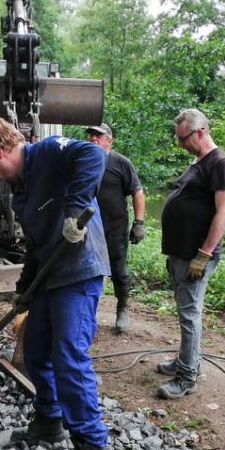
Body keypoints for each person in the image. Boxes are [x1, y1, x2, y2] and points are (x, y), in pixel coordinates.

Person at [0, 116, 112, 450]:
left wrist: (75, 209)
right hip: (49, 276)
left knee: (68, 355)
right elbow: (34, 244)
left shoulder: (48, 151)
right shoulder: (21, 190)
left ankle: (93, 442)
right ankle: (49, 420)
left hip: (79, 271)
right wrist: (23, 288)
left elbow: (95, 158)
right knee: (35, 352)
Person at [158, 108, 225, 399]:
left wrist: (204, 254)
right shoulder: (199, 161)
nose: (180, 144)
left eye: (183, 139)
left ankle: (187, 377)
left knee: (190, 315)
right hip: (181, 252)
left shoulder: (221, 163)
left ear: (200, 132)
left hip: (196, 255)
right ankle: (185, 360)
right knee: (185, 312)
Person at [86, 123, 146, 333]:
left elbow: (137, 192)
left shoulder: (121, 163)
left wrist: (139, 223)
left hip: (115, 229)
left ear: (109, 140)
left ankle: (122, 307)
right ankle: (88, 314)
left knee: (118, 272)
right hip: (88, 229)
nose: (93, 138)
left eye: (99, 135)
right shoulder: (82, 160)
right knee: (88, 272)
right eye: (91, 135)